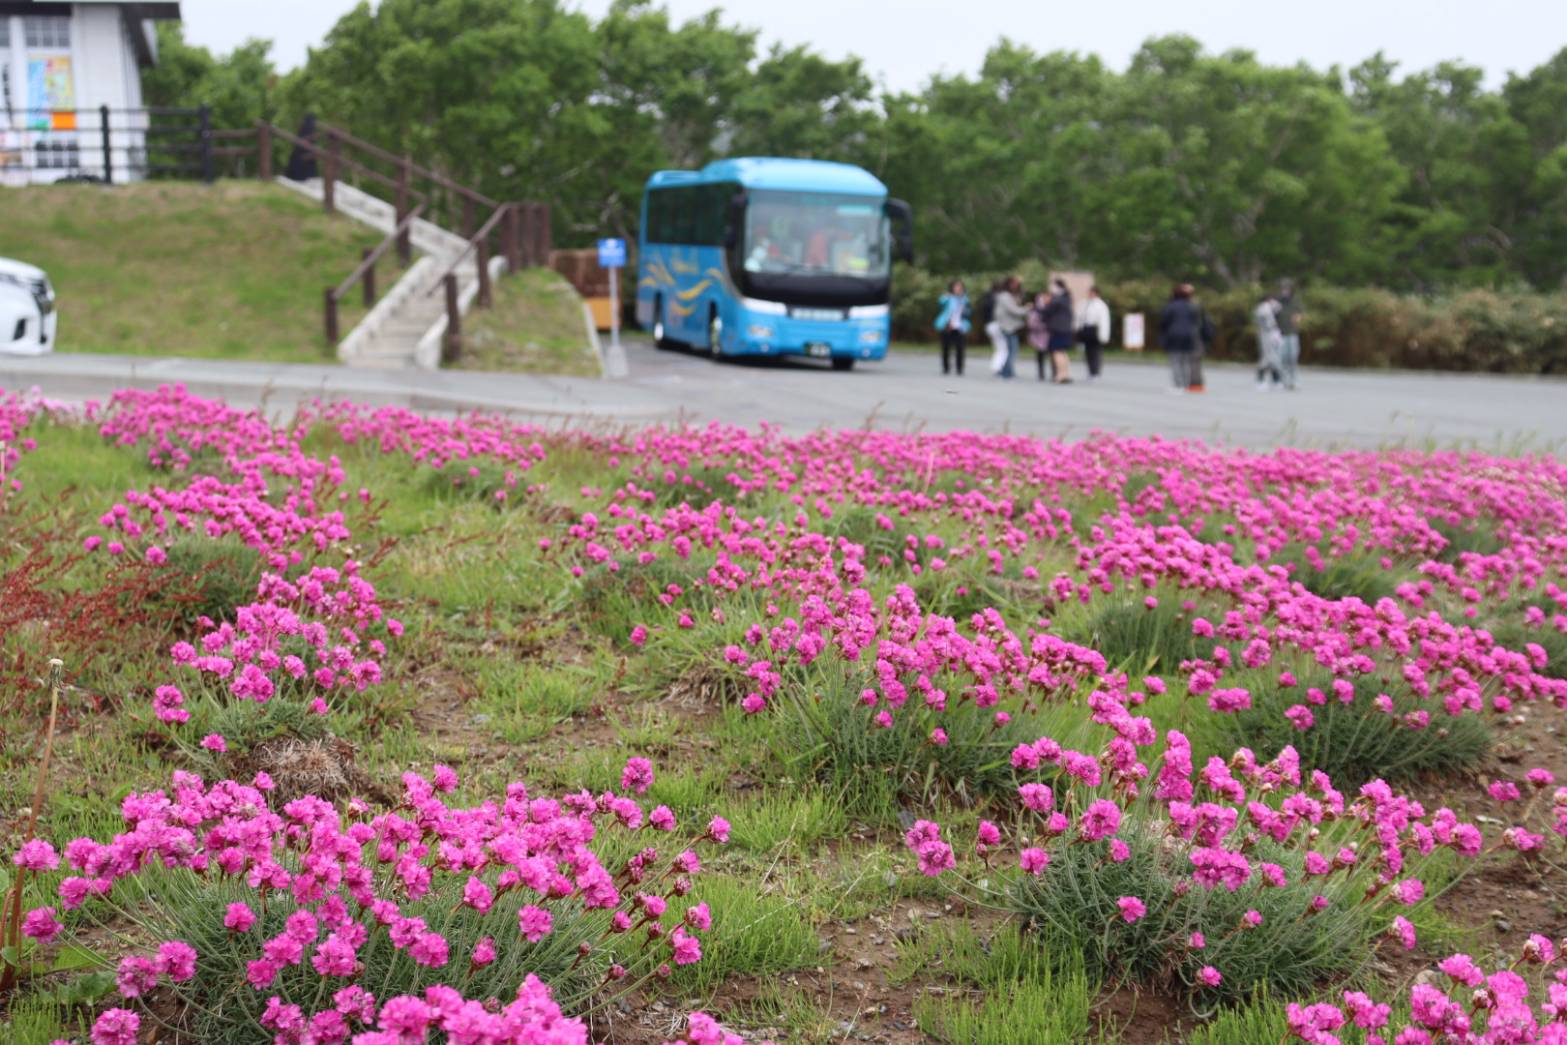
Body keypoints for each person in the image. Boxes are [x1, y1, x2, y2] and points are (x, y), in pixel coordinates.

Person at [1158, 283, 1198, 393]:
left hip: (1174, 335)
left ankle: (1177, 385)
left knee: (1175, 360)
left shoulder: (1171, 306)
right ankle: (1185, 384)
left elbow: (1164, 322)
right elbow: (1196, 321)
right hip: (1189, 335)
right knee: (1185, 361)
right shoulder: (1191, 306)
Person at [992, 276, 1029, 379]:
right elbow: (1015, 310)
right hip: (1008, 327)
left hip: (1011, 327)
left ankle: (1008, 370)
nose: (1016, 286)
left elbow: (1021, 297)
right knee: (1012, 350)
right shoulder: (1005, 296)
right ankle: (1006, 372)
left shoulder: (1011, 296)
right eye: (1014, 283)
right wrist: (1027, 309)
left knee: (1011, 349)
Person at [1041, 277, 1074, 383]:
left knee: (1057, 352)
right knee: (1063, 352)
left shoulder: (1057, 299)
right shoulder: (1067, 297)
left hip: (1058, 329)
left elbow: (1047, 311)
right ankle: (1066, 374)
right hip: (1066, 328)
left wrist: (1043, 305)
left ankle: (1060, 375)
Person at [934, 280, 970, 376]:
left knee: (960, 348)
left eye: (960, 287)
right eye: (956, 287)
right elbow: (940, 304)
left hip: (959, 326)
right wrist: (946, 297)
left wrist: (962, 300)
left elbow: (968, 312)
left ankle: (959, 369)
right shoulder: (947, 298)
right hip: (947, 326)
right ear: (952, 288)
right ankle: (945, 368)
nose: (958, 289)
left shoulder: (964, 299)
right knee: (945, 348)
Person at [1077, 285, 1111, 381]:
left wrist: (1103, 335)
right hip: (1086, 329)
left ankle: (1096, 372)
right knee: (1087, 352)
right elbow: (1079, 317)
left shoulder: (1101, 305)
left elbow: (1104, 321)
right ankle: (1090, 371)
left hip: (1095, 330)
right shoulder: (1084, 303)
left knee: (1095, 352)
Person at [1276, 279, 1302, 390]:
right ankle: (1283, 380)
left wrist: (1298, 318)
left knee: (1293, 357)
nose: (1285, 291)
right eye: (1283, 289)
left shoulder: (1295, 301)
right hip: (1280, 334)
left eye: (1287, 289)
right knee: (1282, 358)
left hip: (1292, 333)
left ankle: (1293, 381)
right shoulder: (1277, 302)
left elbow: (1300, 314)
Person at [1254, 292, 1283, 390]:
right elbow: (1265, 319)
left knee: (1274, 358)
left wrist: (1274, 304)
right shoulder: (1262, 308)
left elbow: (1279, 308)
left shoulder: (1270, 307)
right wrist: (1269, 306)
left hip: (1273, 334)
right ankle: (1261, 380)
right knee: (1267, 358)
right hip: (1265, 334)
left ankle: (1276, 380)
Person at [1187, 283, 1213, 393]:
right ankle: (1197, 383)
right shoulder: (1197, 304)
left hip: (1193, 337)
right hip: (1198, 337)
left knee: (1192, 360)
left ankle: (1194, 383)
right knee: (1196, 361)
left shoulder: (1191, 305)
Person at [1027, 290, 1051, 379]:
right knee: (1040, 354)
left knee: (1051, 355)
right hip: (1040, 335)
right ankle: (1041, 373)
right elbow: (1031, 323)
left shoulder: (1050, 307)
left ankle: (1053, 373)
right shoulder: (1036, 310)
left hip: (1049, 335)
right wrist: (1042, 326)